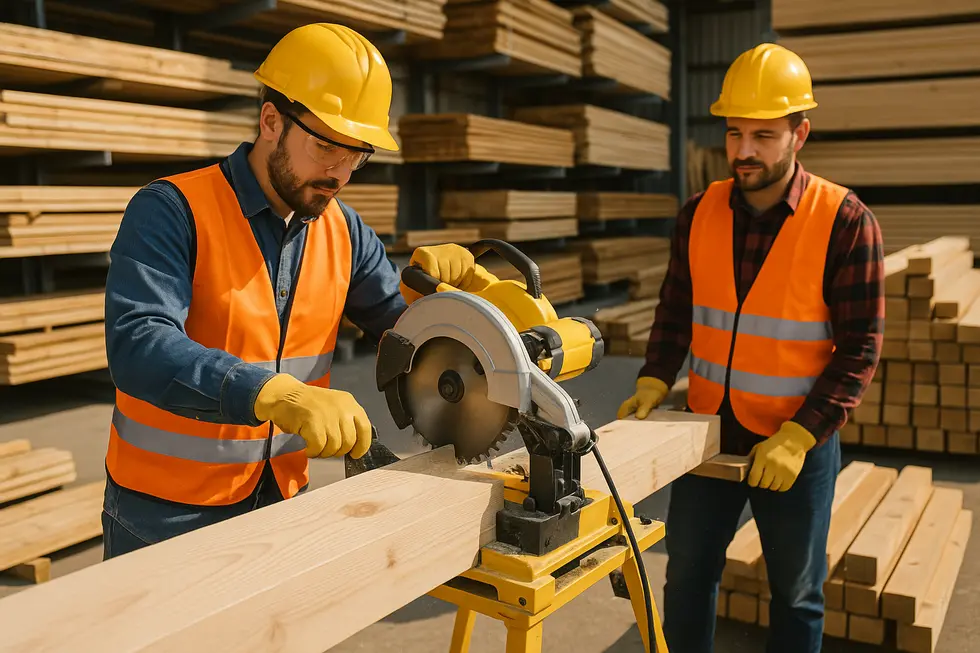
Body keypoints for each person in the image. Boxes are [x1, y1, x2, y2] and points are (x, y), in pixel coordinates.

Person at [100, 23, 482, 559]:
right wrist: (273, 393)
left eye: (357, 154)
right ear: (271, 121)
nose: (339, 172)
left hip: (281, 498)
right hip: (163, 513)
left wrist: (444, 304)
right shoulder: (172, 210)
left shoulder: (344, 230)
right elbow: (138, 343)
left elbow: (402, 330)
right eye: (325, 145)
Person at [617, 43, 884, 652]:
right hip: (707, 433)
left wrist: (799, 436)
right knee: (687, 578)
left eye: (763, 135)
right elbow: (675, 310)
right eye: (734, 132)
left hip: (796, 444)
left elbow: (859, 350)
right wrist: (654, 377)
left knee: (797, 594)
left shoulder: (845, 222)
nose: (743, 150)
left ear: (800, 133)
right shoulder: (698, 213)